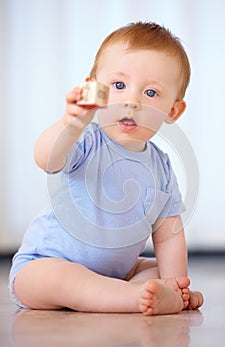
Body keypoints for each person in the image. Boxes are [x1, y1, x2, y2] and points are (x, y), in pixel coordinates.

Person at [9, 21, 203, 315]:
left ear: (172, 111)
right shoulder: (86, 139)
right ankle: (131, 298)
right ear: (94, 89)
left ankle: (146, 294)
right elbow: (46, 158)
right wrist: (70, 123)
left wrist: (177, 285)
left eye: (150, 93)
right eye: (119, 86)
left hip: (116, 274)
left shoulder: (161, 166)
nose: (131, 101)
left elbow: (168, 235)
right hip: (45, 265)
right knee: (65, 279)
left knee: (157, 270)